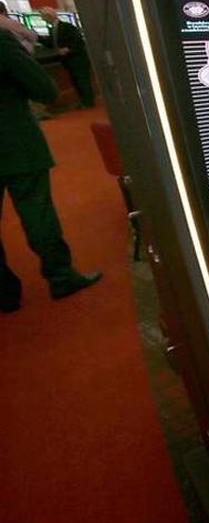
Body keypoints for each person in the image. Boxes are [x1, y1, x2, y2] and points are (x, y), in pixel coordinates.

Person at [0, 29, 101, 312]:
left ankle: (5, 294)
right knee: (37, 213)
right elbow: (45, 90)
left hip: (14, 146)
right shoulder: (2, 40)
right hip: (15, 143)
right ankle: (61, 277)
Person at [39, 7, 96, 108]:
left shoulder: (67, 27)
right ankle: (84, 101)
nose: (43, 19)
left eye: (43, 17)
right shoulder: (53, 29)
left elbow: (79, 42)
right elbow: (51, 44)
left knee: (82, 81)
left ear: (49, 16)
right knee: (76, 82)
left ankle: (88, 102)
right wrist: (37, 37)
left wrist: (68, 49)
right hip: (69, 61)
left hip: (78, 59)